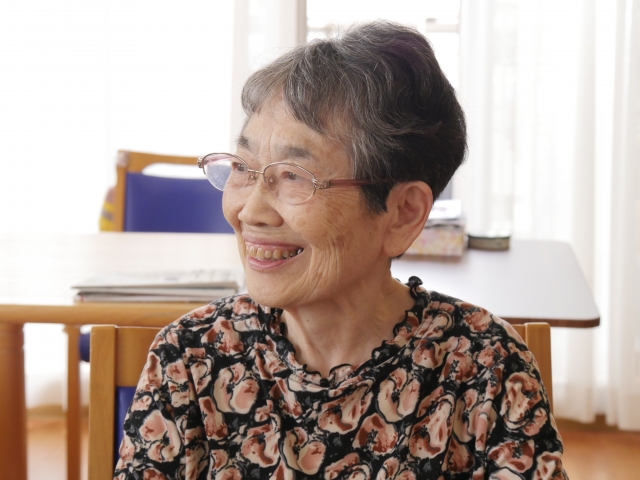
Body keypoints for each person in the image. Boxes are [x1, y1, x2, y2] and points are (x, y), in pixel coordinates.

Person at [114, 22, 567, 480]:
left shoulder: (486, 368)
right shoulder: (190, 359)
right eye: (243, 167)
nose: (250, 211)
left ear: (404, 213)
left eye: (293, 175)